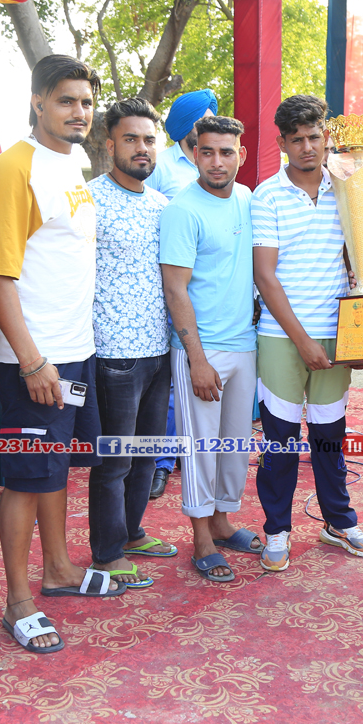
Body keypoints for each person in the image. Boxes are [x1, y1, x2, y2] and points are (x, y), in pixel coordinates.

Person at [0, 55, 122, 655]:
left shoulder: (71, 164)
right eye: (66, 100)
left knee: (54, 469)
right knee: (24, 478)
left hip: (73, 349)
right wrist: (32, 360)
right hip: (33, 360)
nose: (79, 112)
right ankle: (17, 601)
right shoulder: (13, 169)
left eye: (86, 102)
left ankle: (58, 569)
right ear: (38, 101)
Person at [252, 95, 363, 572]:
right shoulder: (267, 195)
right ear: (282, 143)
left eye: (314, 136)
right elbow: (265, 276)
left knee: (330, 436)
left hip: (336, 332)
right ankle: (277, 530)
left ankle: (338, 521)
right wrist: (302, 341)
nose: (307, 146)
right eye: (297, 139)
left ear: (327, 137)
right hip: (281, 337)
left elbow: (360, 261)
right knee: (280, 439)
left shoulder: (349, 184)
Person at [160, 114, 262, 583]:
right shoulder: (183, 210)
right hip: (202, 351)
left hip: (245, 344)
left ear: (241, 155)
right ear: (194, 154)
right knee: (200, 448)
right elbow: (175, 288)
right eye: (207, 152)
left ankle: (222, 522)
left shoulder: (246, 198)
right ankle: (201, 537)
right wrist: (196, 360)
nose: (216, 161)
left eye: (226, 152)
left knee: (234, 446)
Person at [86, 96, 179, 589]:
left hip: (159, 350)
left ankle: (132, 532)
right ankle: (106, 552)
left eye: (148, 139)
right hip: (113, 353)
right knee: (115, 460)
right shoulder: (87, 200)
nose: (141, 148)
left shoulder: (163, 206)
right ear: (110, 145)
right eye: (130, 139)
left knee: (145, 454)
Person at [149, 88, 218, 495]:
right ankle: (160, 461)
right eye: (201, 118)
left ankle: (192, 454)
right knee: (171, 380)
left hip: (211, 290)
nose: (206, 124)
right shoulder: (162, 165)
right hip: (171, 285)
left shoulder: (215, 158)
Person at [150, 88, 219, 199]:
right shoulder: (158, 166)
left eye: (213, 123)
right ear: (185, 126)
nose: (210, 130)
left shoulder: (218, 165)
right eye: (204, 123)